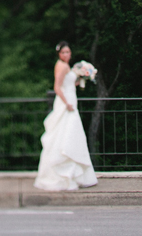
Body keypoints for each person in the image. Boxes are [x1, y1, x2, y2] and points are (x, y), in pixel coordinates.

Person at [33, 41, 98, 191]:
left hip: (70, 101)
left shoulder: (67, 66)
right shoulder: (61, 66)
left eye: (68, 52)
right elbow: (57, 87)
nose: (66, 55)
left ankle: (75, 174)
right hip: (66, 104)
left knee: (73, 135)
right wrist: (67, 103)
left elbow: (68, 84)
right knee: (64, 135)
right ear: (59, 54)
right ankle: (63, 176)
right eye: (63, 53)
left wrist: (83, 77)